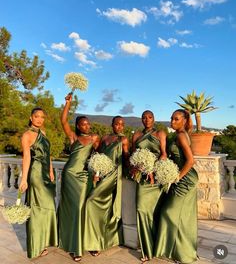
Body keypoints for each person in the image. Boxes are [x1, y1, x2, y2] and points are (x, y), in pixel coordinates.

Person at [58, 94, 100, 262]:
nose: (87, 126)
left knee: (87, 208)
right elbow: (63, 121)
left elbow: (98, 157)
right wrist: (68, 103)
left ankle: (91, 242)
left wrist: (97, 174)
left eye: (88, 123)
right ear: (78, 126)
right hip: (70, 175)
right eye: (83, 123)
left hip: (85, 176)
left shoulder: (95, 138)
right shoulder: (73, 137)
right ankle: (76, 247)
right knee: (75, 209)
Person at [154, 109, 198, 263]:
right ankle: (179, 250)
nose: (172, 122)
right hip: (182, 177)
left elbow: (191, 161)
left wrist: (176, 178)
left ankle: (182, 252)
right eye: (171, 119)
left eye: (176, 119)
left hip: (185, 179)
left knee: (169, 212)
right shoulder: (181, 133)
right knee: (182, 215)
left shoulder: (180, 135)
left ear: (184, 120)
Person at [84, 116, 129, 256]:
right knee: (103, 207)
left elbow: (127, 158)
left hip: (113, 176)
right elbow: (97, 155)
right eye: (117, 124)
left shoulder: (124, 140)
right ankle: (97, 241)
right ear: (112, 125)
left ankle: (96, 241)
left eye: (122, 124)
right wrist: (95, 170)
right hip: (101, 175)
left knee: (91, 202)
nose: (119, 127)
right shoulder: (104, 138)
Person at [19, 107, 57, 258]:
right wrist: (23, 179)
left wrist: (51, 170)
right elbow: (26, 157)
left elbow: (48, 155)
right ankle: (36, 247)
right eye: (37, 116)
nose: (40, 119)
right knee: (36, 209)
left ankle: (44, 240)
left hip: (46, 173)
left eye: (42, 117)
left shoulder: (44, 133)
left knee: (47, 207)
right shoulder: (27, 135)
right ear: (31, 117)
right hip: (35, 174)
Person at [131, 110, 167, 262]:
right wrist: (139, 166)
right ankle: (146, 250)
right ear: (141, 119)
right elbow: (133, 155)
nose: (147, 120)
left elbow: (164, 154)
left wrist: (152, 168)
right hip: (143, 180)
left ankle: (158, 248)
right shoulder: (136, 135)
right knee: (141, 210)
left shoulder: (161, 133)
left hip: (157, 179)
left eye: (150, 117)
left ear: (154, 118)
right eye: (144, 117)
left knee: (157, 213)